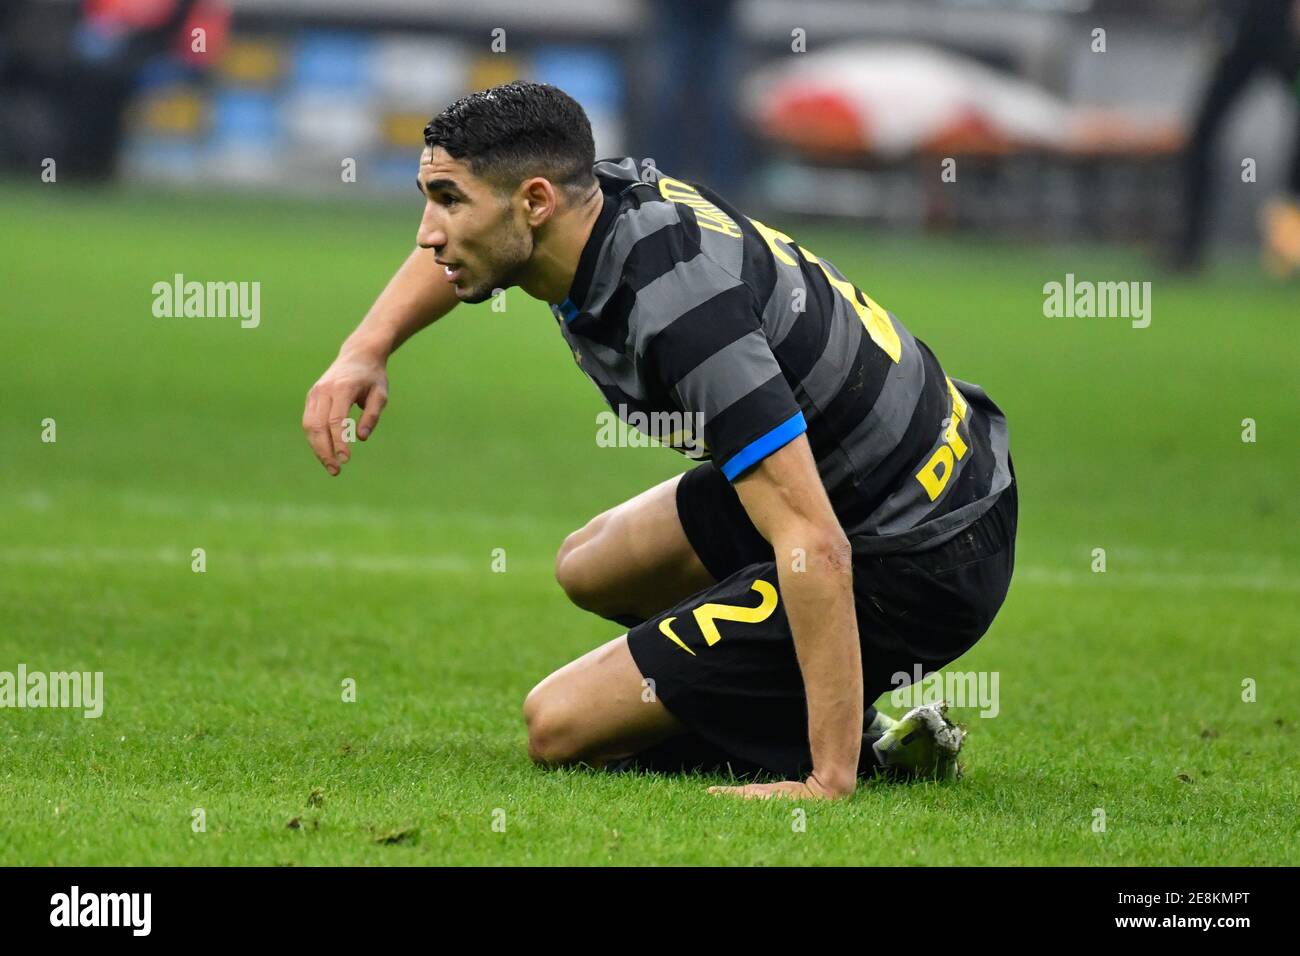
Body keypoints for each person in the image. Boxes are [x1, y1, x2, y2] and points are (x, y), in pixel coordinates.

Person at [302, 82, 1017, 801]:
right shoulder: (600, 198)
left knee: (558, 726)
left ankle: (863, 754)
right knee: (591, 564)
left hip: (923, 550)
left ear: (536, 202)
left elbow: (815, 541)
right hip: (900, 473)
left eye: (450, 201)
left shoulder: (682, 311)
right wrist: (367, 348)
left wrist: (828, 782)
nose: (429, 231)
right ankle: (797, 699)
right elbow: (461, 256)